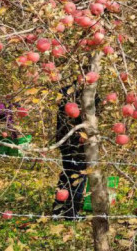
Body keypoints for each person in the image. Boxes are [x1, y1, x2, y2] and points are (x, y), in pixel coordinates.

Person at [52, 83, 101, 220]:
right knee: (78, 177)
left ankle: (58, 209)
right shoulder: (87, 95)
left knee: (67, 175)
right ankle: (70, 213)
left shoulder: (65, 91)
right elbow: (90, 117)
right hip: (75, 142)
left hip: (65, 139)